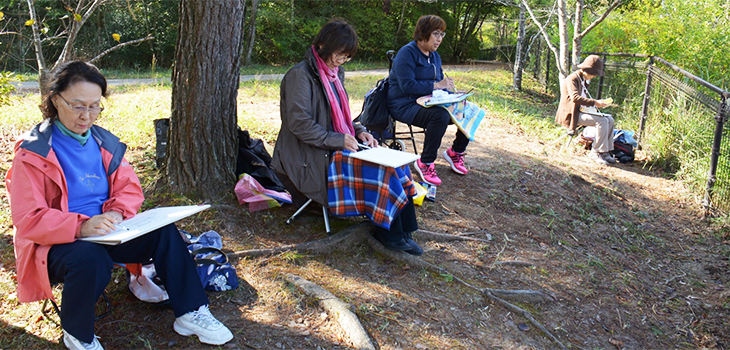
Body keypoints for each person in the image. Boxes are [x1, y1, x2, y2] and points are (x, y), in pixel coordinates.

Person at [5, 61, 233, 350]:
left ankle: (191, 311)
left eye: (94, 106)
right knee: (91, 258)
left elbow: (129, 189)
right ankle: (78, 334)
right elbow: (29, 218)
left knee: (164, 233)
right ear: (55, 100)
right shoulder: (33, 152)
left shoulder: (104, 142)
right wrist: (82, 226)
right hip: (56, 244)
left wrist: (115, 212)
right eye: (77, 106)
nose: (86, 116)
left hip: (107, 230)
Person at [271, 19, 423, 255]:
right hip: (308, 154)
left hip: (328, 145)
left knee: (396, 162)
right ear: (323, 45)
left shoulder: (333, 74)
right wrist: (339, 140)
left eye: (346, 57)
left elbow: (340, 119)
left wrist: (360, 132)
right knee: (383, 170)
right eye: (339, 55)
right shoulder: (300, 76)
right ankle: (388, 233)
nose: (342, 61)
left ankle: (404, 229)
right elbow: (299, 125)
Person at [387, 14, 469, 186]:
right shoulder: (407, 53)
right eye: (436, 34)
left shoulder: (434, 56)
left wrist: (452, 94)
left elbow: (438, 85)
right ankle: (425, 162)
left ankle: (456, 152)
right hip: (404, 104)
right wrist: (436, 85)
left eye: (442, 35)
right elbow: (407, 86)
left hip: (427, 101)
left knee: (467, 108)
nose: (439, 39)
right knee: (440, 116)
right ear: (423, 34)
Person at [556, 54, 616, 165]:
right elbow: (575, 98)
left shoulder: (583, 79)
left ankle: (605, 152)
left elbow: (583, 98)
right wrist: (595, 102)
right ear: (585, 70)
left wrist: (597, 103)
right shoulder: (572, 79)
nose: (594, 76)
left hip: (581, 111)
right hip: (571, 114)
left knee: (610, 119)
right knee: (602, 121)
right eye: (593, 74)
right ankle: (596, 152)